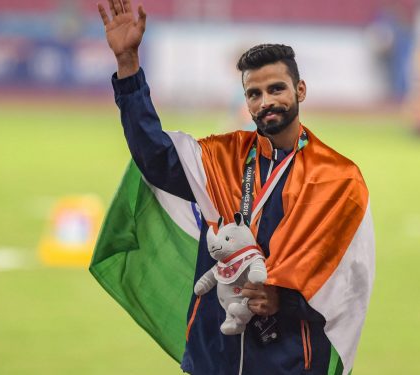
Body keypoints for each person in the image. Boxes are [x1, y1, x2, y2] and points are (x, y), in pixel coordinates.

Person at [95, 1, 375, 374]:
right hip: (215, 357)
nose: (266, 102)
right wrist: (128, 64)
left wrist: (283, 298)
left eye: (276, 89)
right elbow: (155, 156)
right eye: (254, 94)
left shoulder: (337, 178)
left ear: (301, 90)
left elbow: (346, 280)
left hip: (290, 361)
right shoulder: (224, 157)